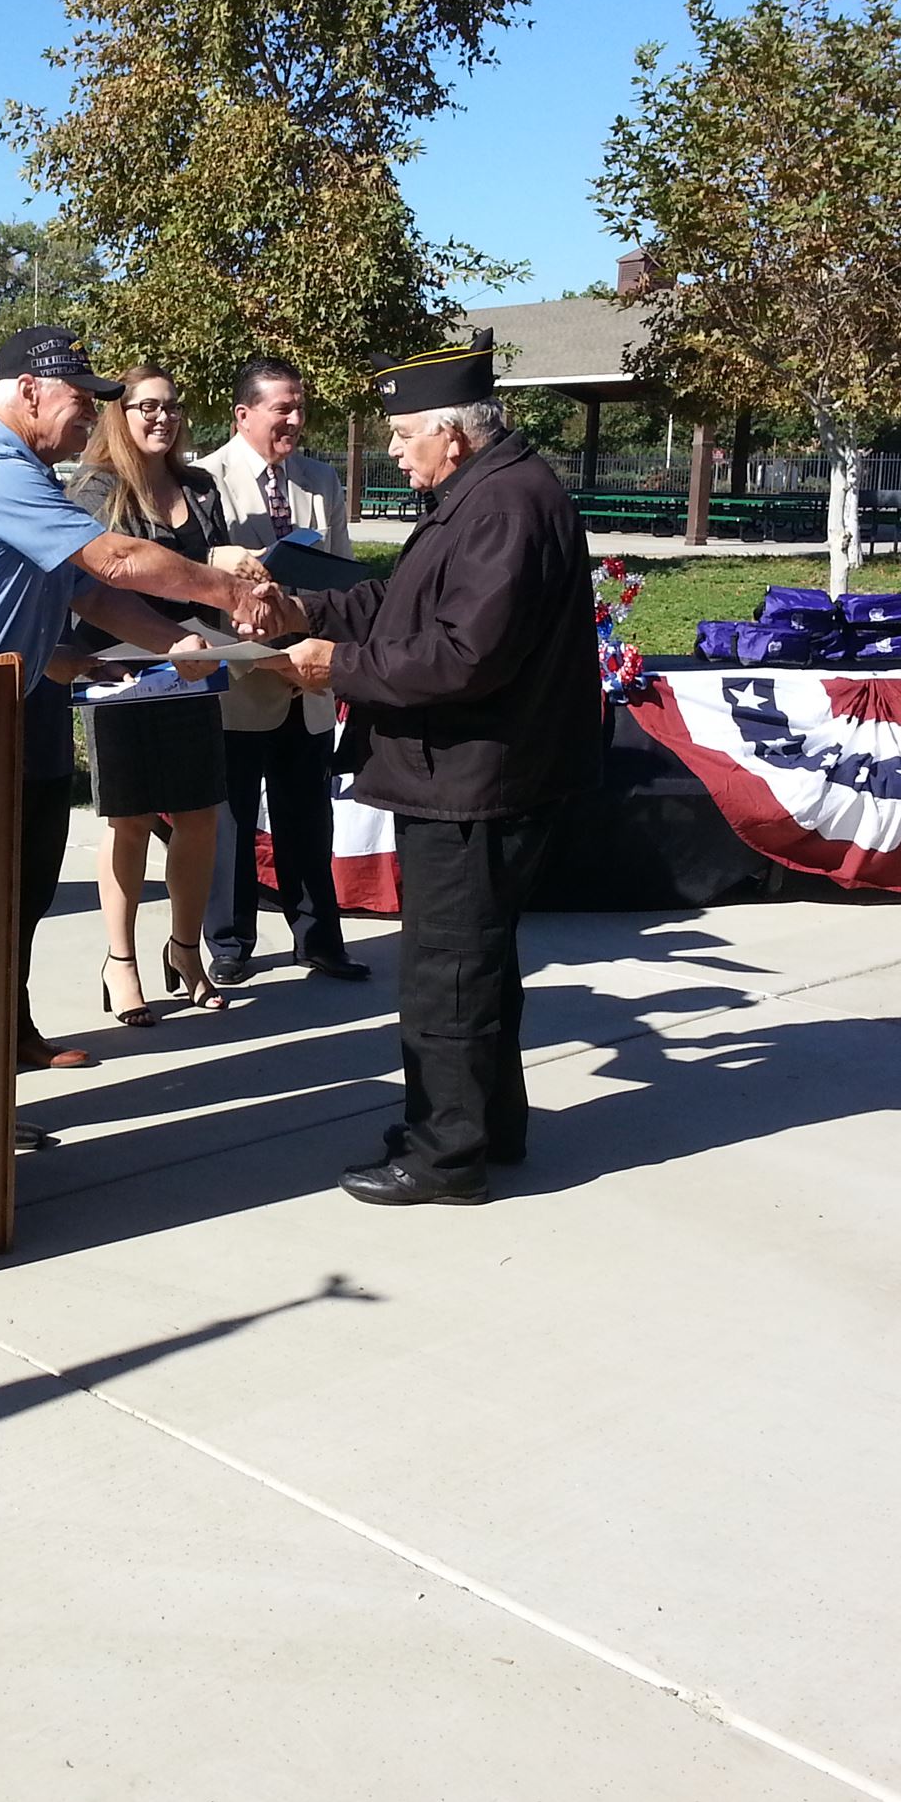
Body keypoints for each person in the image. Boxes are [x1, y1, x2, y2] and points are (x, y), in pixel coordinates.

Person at [0, 325, 279, 1094]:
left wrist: (178, 644)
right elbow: (114, 559)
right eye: (82, 400)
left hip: (7, 703)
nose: (93, 415)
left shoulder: (31, 477)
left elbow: (88, 593)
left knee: (18, 888)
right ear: (28, 393)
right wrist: (231, 594)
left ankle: (4, 1037)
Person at [269, 332, 599, 1207]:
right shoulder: (482, 494)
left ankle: (445, 1156)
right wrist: (305, 608)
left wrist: (331, 668)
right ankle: (485, 1124)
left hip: (472, 778)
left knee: (446, 974)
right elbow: (398, 601)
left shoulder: (502, 508)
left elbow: (461, 656)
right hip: (468, 772)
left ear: (453, 434)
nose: (391, 447)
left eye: (404, 432)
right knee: (475, 964)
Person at [67, 367, 242, 1024]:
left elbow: (211, 570)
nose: (161, 418)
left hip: (194, 669)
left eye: (170, 407)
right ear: (121, 413)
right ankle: (121, 963)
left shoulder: (198, 487)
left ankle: (186, 949)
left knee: (199, 816)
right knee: (130, 819)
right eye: (147, 407)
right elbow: (92, 577)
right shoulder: (95, 488)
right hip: (116, 672)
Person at [196, 355, 366, 986]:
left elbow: (343, 576)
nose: (295, 419)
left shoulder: (321, 479)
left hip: (307, 678)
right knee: (234, 818)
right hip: (241, 678)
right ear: (243, 415)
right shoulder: (203, 479)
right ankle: (230, 941)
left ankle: (318, 938)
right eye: (282, 408)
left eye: (300, 406)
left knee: (307, 817)